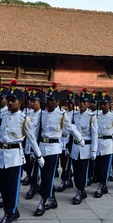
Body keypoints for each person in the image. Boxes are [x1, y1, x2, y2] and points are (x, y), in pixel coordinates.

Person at [0, 80, 43, 223]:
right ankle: (11, 210)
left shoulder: (24, 119)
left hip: (15, 157)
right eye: (9, 100)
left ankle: (9, 213)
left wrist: (39, 156)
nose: (10, 103)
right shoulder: (2, 117)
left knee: (12, 188)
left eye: (14, 100)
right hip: (2, 156)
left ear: (20, 102)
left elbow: (32, 138)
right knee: (3, 187)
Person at [35, 83, 83, 216]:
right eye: (48, 100)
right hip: (42, 148)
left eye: (52, 100)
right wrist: (33, 148)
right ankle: (52, 199)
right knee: (44, 175)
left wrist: (80, 139)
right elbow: (36, 131)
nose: (49, 103)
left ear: (57, 102)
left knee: (47, 176)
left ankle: (43, 200)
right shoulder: (42, 114)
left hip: (54, 148)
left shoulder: (62, 115)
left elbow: (71, 128)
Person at [70, 90, 97, 204]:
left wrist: (94, 150)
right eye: (80, 102)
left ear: (88, 104)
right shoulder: (74, 115)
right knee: (75, 171)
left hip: (86, 148)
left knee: (82, 172)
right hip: (75, 147)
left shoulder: (92, 117)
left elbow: (95, 135)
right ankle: (80, 189)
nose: (82, 104)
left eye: (84, 102)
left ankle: (80, 191)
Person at [23, 87, 43, 201]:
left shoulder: (42, 115)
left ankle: (34, 186)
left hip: (36, 145)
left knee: (34, 169)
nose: (31, 103)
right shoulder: (27, 113)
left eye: (34, 102)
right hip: (27, 144)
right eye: (30, 101)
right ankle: (33, 183)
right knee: (28, 167)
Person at [56, 90, 75, 192]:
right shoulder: (63, 113)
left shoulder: (75, 115)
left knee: (67, 163)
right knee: (63, 162)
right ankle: (68, 179)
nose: (70, 105)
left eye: (72, 103)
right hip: (61, 141)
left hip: (69, 141)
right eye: (69, 103)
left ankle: (64, 180)